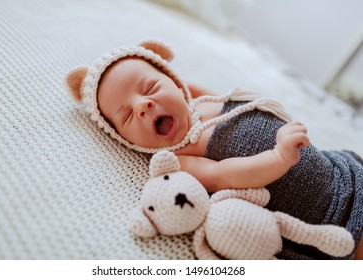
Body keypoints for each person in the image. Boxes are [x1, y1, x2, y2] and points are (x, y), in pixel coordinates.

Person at [65, 40, 363, 260]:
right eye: (127, 116)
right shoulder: (181, 159)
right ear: (125, 140)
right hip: (326, 217)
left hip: (341, 172)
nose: (143, 105)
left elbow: (183, 87)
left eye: (151, 88)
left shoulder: (206, 102)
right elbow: (224, 175)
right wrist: (279, 156)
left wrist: (176, 85)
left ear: (175, 82)